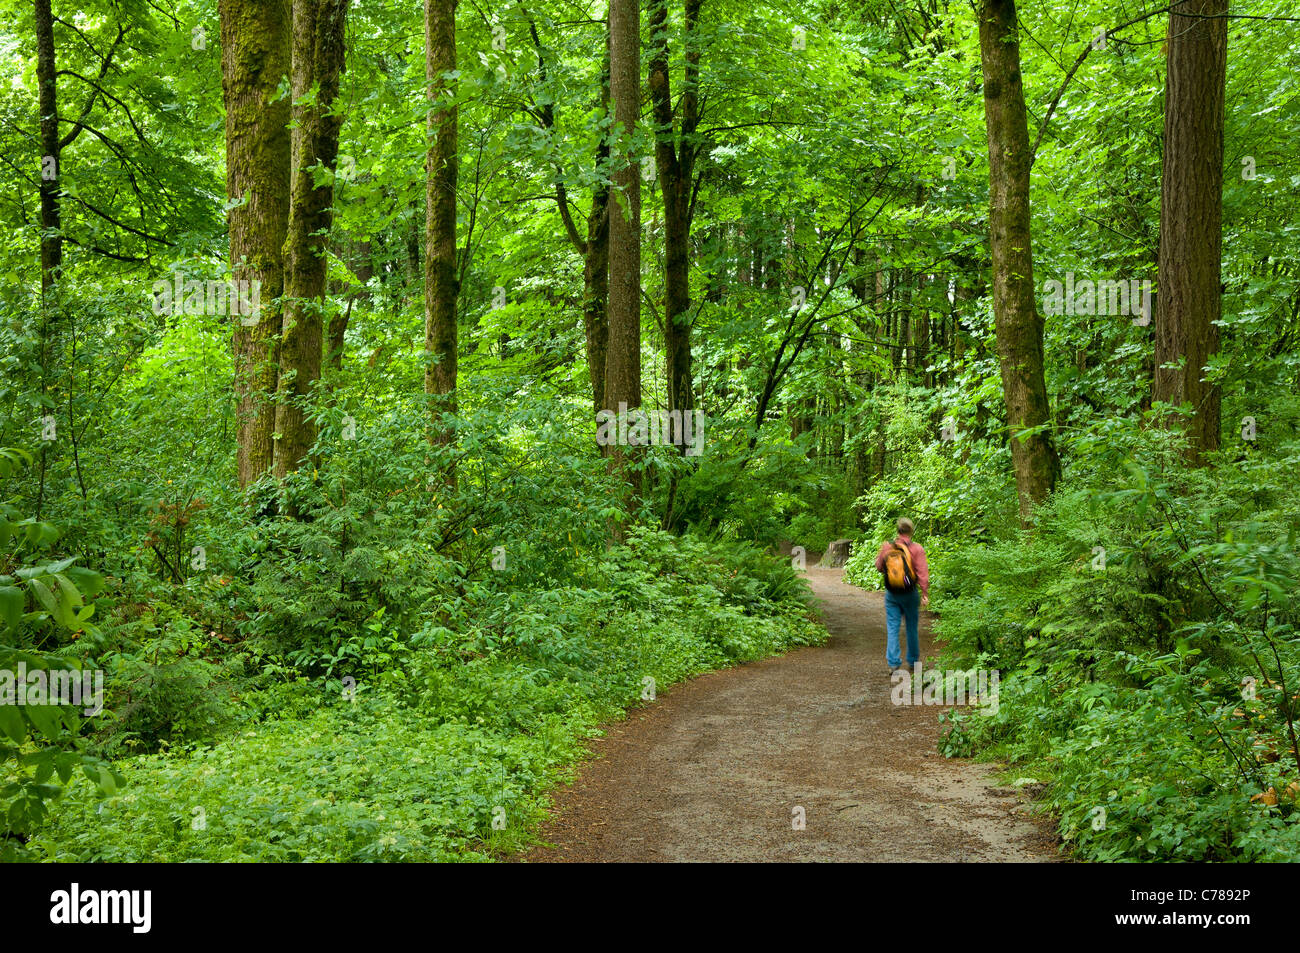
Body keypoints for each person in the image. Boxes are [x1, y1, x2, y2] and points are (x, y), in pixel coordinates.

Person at [874, 517, 929, 674]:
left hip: (892, 593)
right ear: (911, 531)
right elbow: (922, 573)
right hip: (910, 593)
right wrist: (925, 593)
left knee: (892, 626)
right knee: (911, 627)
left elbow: (879, 566)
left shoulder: (887, 546)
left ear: (898, 531)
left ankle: (893, 663)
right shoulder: (917, 549)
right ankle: (912, 661)